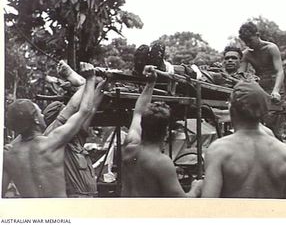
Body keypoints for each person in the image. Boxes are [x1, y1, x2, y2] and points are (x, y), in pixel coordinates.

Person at [2, 62, 96, 198]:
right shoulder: (52, 142)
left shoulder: (8, 155)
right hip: (59, 213)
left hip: (34, 217)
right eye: (40, 112)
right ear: (35, 120)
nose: (43, 115)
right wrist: (91, 79)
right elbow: (85, 110)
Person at [201, 81, 286, 199]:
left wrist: (195, 190)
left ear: (230, 108)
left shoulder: (219, 151)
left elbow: (208, 206)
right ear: (264, 110)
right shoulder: (285, 153)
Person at [121, 65, 203, 197]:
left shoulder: (129, 147)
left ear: (143, 126)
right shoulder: (162, 162)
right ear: (166, 133)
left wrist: (151, 83)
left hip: (126, 214)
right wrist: (196, 188)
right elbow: (182, 202)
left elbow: (138, 112)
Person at [42, 62, 106, 198]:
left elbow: (91, 108)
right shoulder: (54, 132)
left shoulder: (75, 137)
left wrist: (104, 83)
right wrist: (88, 79)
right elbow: (79, 109)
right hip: (75, 200)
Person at [238, 22, 284, 102]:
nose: (248, 44)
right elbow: (240, 75)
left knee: (275, 111)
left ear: (257, 35)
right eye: (245, 42)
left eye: (250, 40)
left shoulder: (271, 48)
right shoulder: (246, 54)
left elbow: (279, 71)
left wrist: (276, 91)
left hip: (275, 86)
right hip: (259, 87)